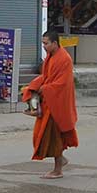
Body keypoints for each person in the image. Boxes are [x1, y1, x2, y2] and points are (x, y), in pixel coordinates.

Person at [23, 31, 79, 179]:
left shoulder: (63, 58)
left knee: (54, 138)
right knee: (42, 136)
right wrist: (37, 84)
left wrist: (45, 88)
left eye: (46, 43)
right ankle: (61, 161)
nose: (44, 46)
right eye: (43, 43)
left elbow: (62, 83)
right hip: (50, 101)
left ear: (55, 43)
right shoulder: (51, 56)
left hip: (57, 103)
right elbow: (47, 76)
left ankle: (57, 170)